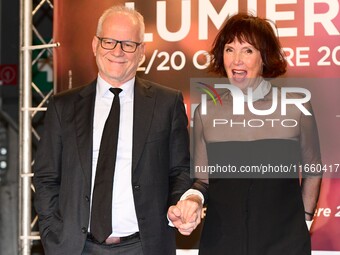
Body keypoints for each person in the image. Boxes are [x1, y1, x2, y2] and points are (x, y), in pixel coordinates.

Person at [33, 5, 193, 255]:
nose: (117, 51)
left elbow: (180, 171)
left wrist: (178, 206)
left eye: (128, 44)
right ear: (95, 45)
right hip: (76, 247)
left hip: (144, 247)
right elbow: (46, 178)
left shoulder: (166, 104)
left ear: (141, 52)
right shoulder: (62, 107)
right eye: (109, 41)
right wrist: (54, 237)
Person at [174, 13, 323, 255]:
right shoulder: (207, 112)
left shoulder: (296, 107)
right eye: (230, 49)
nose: (237, 60)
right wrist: (193, 199)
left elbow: (313, 170)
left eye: (247, 50)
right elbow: (203, 180)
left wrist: (303, 223)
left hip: (285, 243)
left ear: (264, 57)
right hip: (221, 243)